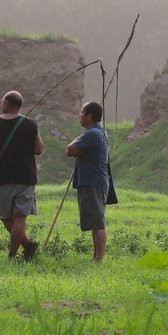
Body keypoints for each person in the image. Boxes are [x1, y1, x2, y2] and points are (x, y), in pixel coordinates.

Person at [0, 90, 44, 260]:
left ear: (6, 104)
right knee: (19, 217)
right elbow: (39, 150)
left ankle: (13, 256)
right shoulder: (30, 124)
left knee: (6, 217)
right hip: (26, 177)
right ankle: (26, 245)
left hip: (4, 177)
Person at [66, 101, 110, 263]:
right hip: (94, 181)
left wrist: (77, 147)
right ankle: (96, 257)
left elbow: (70, 149)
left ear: (89, 116)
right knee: (94, 221)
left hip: (93, 182)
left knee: (98, 222)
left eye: (82, 113)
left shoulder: (93, 134)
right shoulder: (98, 133)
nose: (80, 116)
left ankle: (99, 259)